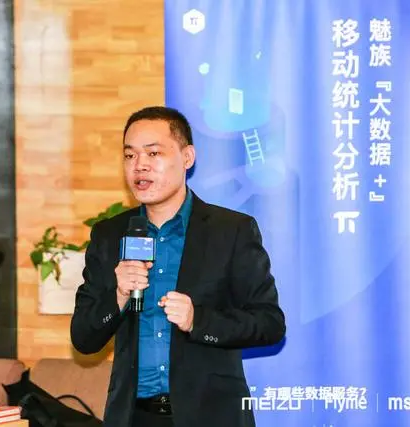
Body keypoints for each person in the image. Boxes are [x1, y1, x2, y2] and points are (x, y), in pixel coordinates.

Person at [70, 106, 286, 427]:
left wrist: (198, 320)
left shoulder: (231, 231)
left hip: (211, 417)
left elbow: (270, 324)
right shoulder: (110, 235)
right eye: (130, 155)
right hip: (134, 418)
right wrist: (118, 295)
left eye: (153, 153)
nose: (140, 165)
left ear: (187, 157)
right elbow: (83, 338)